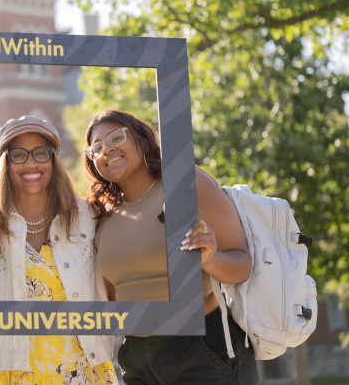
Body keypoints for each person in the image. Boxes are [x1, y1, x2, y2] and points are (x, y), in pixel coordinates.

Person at [84, 109, 258, 384]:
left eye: (116, 137)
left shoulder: (185, 185)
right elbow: (112, 295)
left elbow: (243, 265)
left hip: (200, 349)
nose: (107, 149)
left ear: (142, 140)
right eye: (97, 147)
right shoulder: (102, 217)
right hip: (136, 358)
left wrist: (210, 260)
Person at [0, 115, 118, 385]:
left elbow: (115, 285)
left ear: (53, 159)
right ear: (4, 165)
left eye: (40, 153)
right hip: (14, 373)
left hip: (86, 369)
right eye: (18, 155)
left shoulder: (89, 217)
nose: (31, 163)